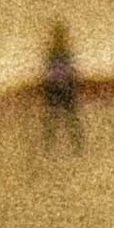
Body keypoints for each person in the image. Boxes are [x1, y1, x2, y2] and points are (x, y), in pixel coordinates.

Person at [38, 20, 84, 151]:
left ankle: (73, 143)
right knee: (57, 118)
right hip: (59, 87)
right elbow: (67, 71)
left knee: (64, 118)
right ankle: (52, 143)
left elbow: (56, 71)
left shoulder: (58, 53)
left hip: (61, 87)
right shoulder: (58, 53)